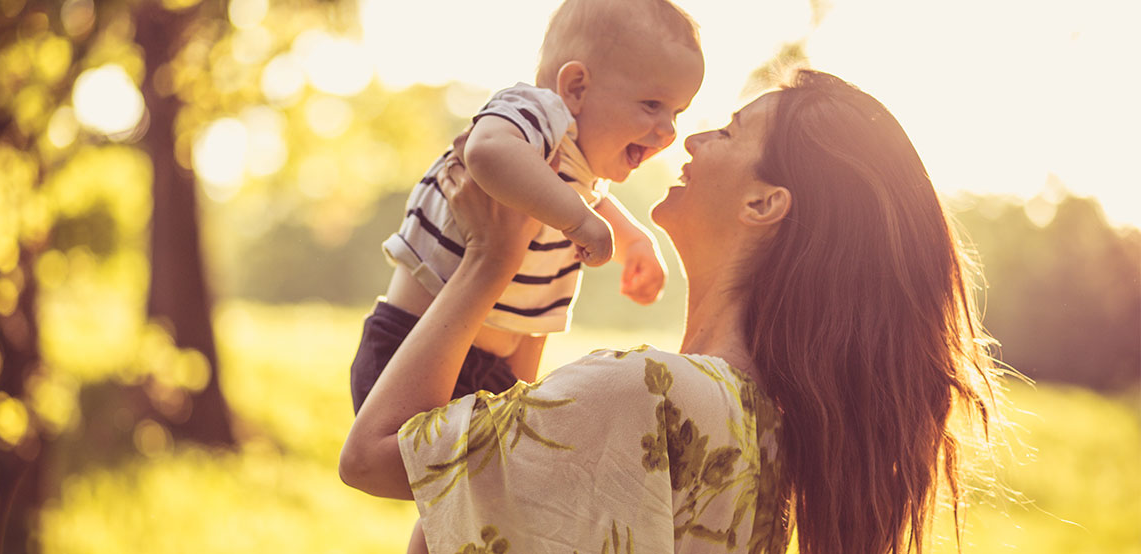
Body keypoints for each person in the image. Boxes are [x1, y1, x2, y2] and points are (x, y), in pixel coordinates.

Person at [341, 69, 1006, 553]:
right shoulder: (768, 432)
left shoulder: (641, 397)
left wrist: (490, 260)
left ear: (765, 204)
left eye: (728, 131)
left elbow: (371, 459)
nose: (690, 141)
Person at [348, 0, 705, 414]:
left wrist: (636, 241)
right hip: (410, 347)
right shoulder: (536, 111)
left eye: (677, 112)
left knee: (481, 474)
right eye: (652, 105)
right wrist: (577, 221)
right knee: (423, 467)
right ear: (575, 88)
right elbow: (487, 150)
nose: (669, 131)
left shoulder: (578, 167)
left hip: (493, 367)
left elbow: (593, 197)